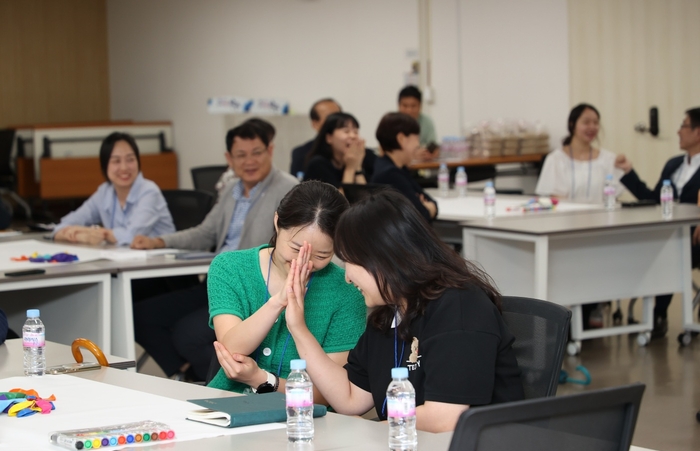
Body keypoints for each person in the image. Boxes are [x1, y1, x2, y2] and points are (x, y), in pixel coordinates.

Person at [285, 189, 524, 433]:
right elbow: (349, 397)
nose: (347, 277)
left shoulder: (459, 306)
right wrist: (298, 328)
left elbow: (446, 417)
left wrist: (375, 431)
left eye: (351, 262)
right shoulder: (389, 313)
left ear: (384, 256)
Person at [130, 119, 298, 381]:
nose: (249, 161)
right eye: (241, 155)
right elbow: (206, 232)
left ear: (270, 151)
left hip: (250, 288)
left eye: (257, 153)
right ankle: (184, 374)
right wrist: (159, 241)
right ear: (228, 158)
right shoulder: (232, 189)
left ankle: (213, 385)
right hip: (217, 280)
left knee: (188, 334)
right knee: (142, 315)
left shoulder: (287, 189)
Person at [209, 181, 366, 399]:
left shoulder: (347, 290)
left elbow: (331, 394)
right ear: (277, 222)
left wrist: (261, 379)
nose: (304, 263)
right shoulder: (230, 268)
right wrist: (279, 301)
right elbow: (231, 350)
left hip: (306, 417)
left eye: (321, 256)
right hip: (227, 402)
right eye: (295, 248)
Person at [615, 107, 700, 338]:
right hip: (670, 236)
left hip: (694, 239)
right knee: (653, 247)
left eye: (684, 125)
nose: (678, 131)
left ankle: (657, 315)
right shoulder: (674, 164)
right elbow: (654, 199)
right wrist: (629, 172)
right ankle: (653, 317)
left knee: (668, 252)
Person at [53, 132, 175, 246]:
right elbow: (61, 227)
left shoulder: (149, 192)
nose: (124, 167)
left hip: (160, 262)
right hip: (124, 261)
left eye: (130, 159)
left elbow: (132, 236)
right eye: (116, 161)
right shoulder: (104, 192)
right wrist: (83, 236)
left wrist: (92, 231)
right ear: (105, 165)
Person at [535, 103, 625, 204]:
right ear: (572, 124)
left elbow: (612, 199)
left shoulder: (608, 159)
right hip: (566, 218)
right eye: (586, 122)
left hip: (601, 217)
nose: (592, 127)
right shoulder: (555, 159)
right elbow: (556, 201)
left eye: (596, 123)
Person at [372, 112, 437, 223]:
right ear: (401, 139)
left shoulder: (396, 168)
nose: (418, 144)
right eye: (416, 138)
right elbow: (422, 215)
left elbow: (429, 202)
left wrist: (428, 206)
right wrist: (428, 207)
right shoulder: (391, 174)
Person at [304, 112, 370, 189]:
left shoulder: (363, 159)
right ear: (329, 138)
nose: (353, 136)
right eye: (346, 131)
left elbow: (366, 199)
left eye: (356, 132)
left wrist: (358, 166)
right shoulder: (318, 164)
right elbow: (339, 200)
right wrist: (350, 169)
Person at [290, 98, 341, 177]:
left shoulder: (355, 152)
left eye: (339, 117)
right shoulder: (301, 153)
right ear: (315, 124)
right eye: (330, 118)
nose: (337, 122)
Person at [398, 85, 438, 159]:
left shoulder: (427, 122)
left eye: (413, 106)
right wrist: (413, 154)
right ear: (398, 106)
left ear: (420, 106)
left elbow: (432, 145)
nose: (409, 110)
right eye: (405, 106)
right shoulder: (391, 123)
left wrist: (430, 153)